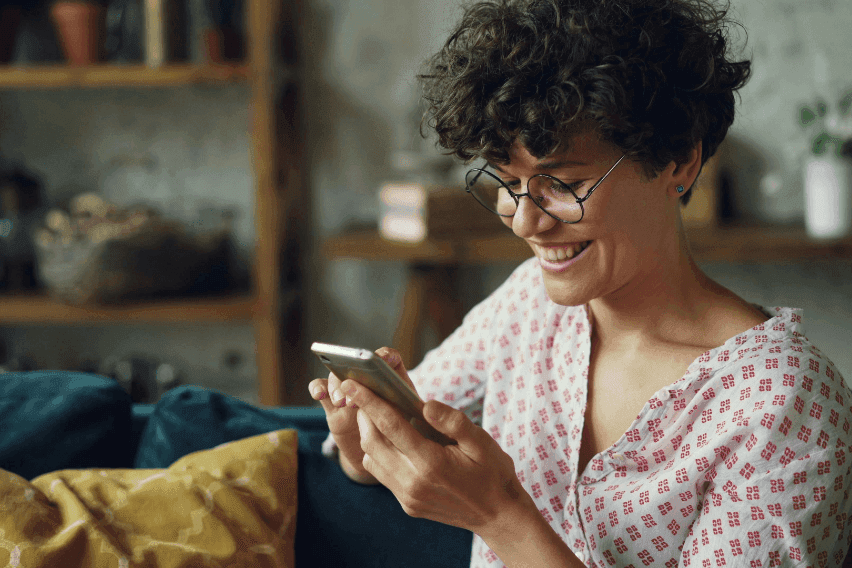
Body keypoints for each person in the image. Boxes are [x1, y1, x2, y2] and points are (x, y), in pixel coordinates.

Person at [310, 0, 852, 566]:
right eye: (508, 183)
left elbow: (490, 513)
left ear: (680, 162)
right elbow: (388, 450)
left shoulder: (781, 404)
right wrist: (359, 441)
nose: (526, 223)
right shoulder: (528, 305)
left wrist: (498, 516)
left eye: (563, 185)